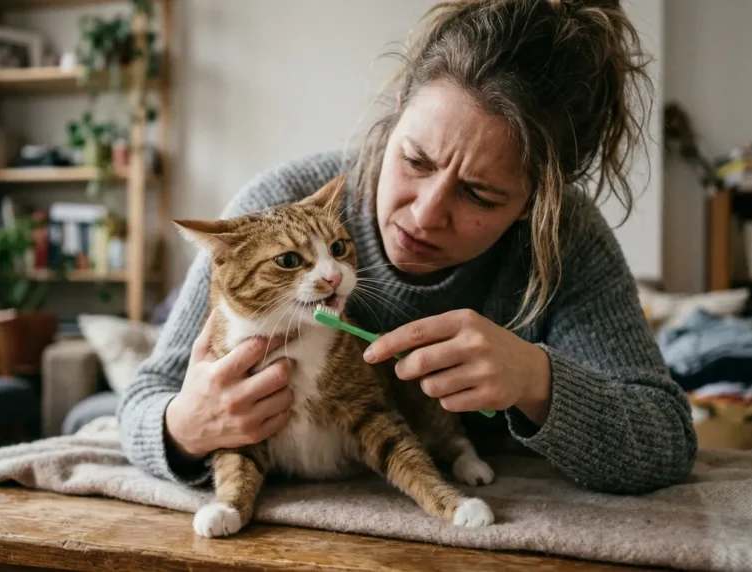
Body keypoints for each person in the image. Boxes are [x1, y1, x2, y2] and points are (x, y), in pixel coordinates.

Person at [118, 0, 697, 495]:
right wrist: (185, 427)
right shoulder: (284, 204)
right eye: (415, 160)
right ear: (398, 110)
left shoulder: (565, 238)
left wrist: (534, 380)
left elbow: (666, 440)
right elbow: (145, 397)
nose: (424, 214)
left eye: (479, 194)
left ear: (535, 201)